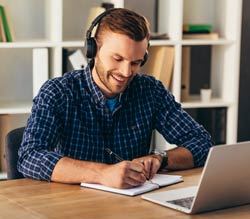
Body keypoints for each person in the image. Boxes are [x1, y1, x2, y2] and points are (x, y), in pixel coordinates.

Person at [18, 8, 213, 189]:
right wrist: (102, 174)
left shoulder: (150, 90)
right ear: (93, 50)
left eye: (136, 62)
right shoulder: (57, 92)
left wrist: (160, 158)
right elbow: (30, 157)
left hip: (133, 206)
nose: (126, 72)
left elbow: (202, 143)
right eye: (117, 59)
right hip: (74, 206)